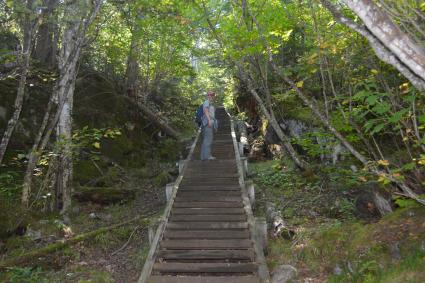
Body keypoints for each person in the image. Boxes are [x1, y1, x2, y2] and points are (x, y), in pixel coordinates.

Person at [200, 90, 216, 161]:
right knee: (208, 139)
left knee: (206, 139)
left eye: (212, 94)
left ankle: (203, 156)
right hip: (207, 122)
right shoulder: (207, 102)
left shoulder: (210, 103)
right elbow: (206, 111)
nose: (210, 96)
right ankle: (207, 156)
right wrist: (209, 120)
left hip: (207, 122)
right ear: (207, 95)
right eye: (209, 94)